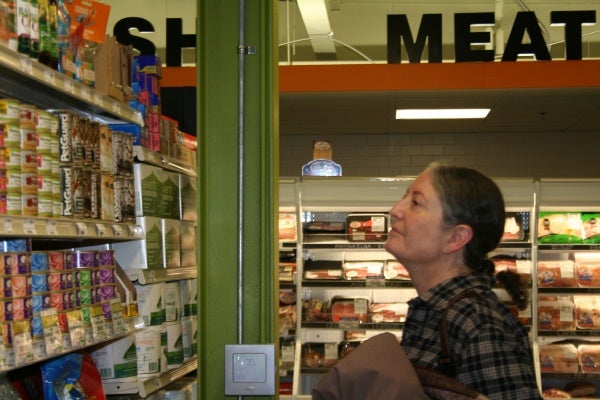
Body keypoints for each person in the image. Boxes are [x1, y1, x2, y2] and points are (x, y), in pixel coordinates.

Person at [384, 161, 542, 400]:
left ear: (456, 238)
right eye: (404, 198)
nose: (395, 210)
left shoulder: (477, 322)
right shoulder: (435, 310)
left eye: (415, 202)